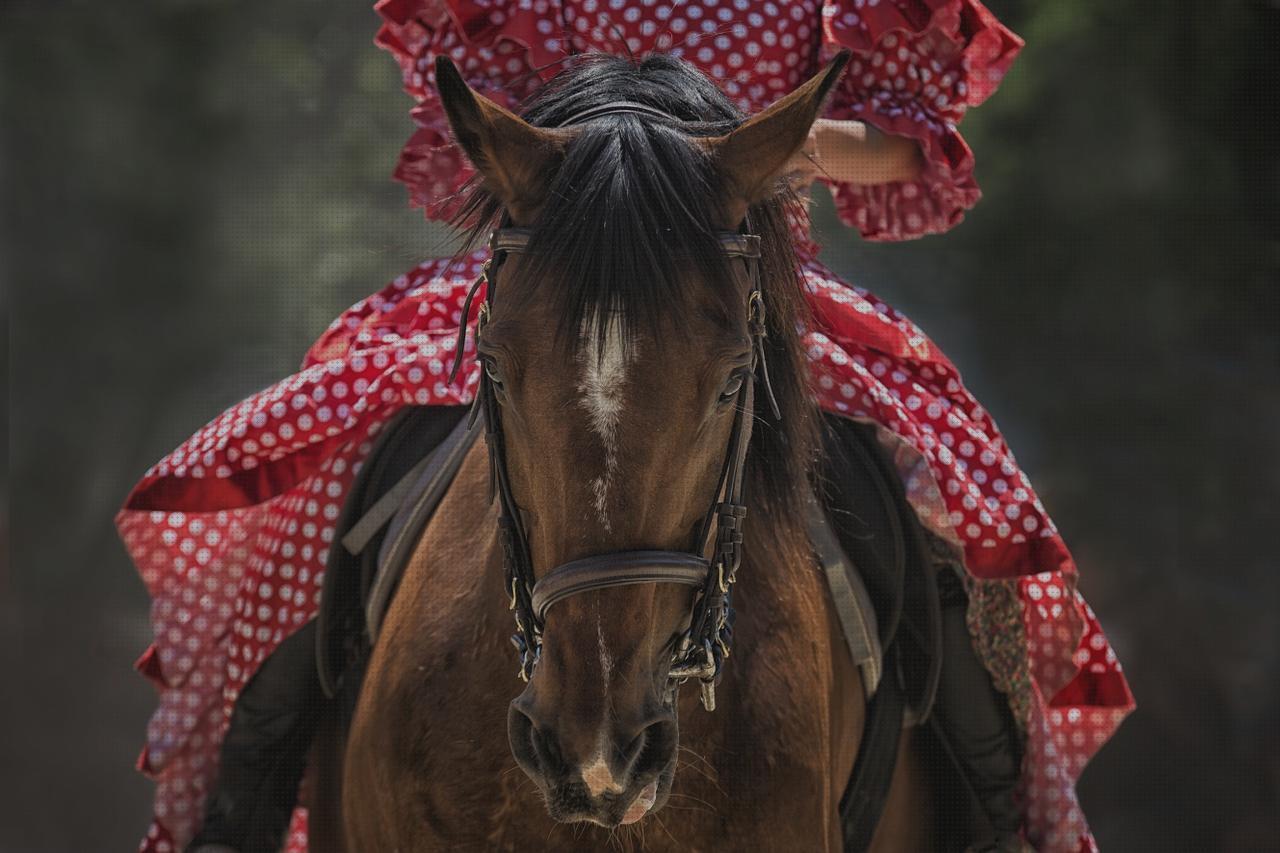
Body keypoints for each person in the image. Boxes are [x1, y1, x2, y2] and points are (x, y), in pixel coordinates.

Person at [117, 2, 1135, 851]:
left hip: (736, 286)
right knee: (323, 470)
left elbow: (903, 145)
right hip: (561, 274)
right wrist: (600, 150)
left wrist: (738, 148)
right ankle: (242, 801)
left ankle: (997, 809)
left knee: (939, 509)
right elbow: (466, 114)